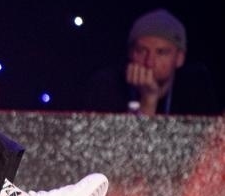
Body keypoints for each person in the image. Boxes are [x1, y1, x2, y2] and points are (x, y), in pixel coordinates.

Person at [84, 8, 220, 115]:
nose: (149, 62)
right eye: (141, 51)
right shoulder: (105, 85)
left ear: (179, 58)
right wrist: (148, 100)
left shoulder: (195, 87)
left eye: (161, 52)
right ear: (130, 53)